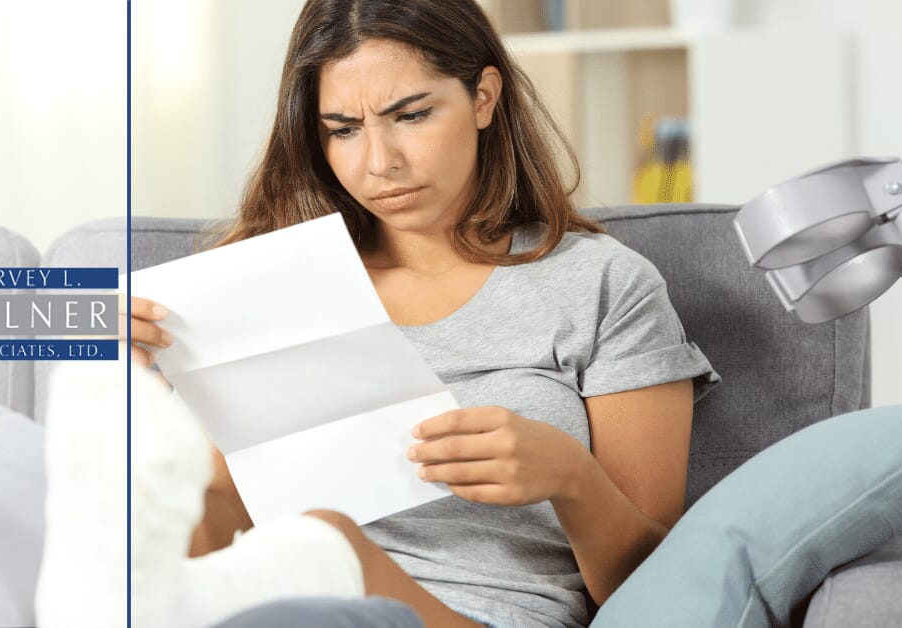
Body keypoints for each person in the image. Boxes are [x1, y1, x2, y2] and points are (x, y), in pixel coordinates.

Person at [129, 0, 720, 626]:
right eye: (343, 129)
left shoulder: (603, 284)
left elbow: (664, 593)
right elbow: (212, 529)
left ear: (484, 97)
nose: (380, 162)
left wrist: (572, 479)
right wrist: (136, 397)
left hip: (475, 614)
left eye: (411, 115)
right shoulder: (269, 285)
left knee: (325, 545)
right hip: (272, 601)